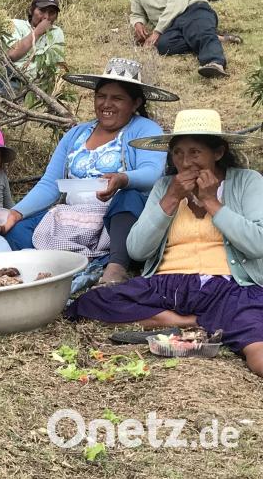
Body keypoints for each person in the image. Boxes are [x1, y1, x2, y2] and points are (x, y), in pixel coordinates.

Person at [67, 109, 263, 376]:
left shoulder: (247, 181)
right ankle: (190, 321)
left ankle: (195, 319)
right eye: (178, 153)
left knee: (257, 351)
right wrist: (170, 199)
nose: (185, 161)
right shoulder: (165, 186)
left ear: (218, 152)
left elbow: (257, 244)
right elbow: (137, 249)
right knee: (92, 302)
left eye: (195, 152)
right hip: (169, 285)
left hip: (228, 285)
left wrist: (212, 202)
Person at [0, 57, 178, 286]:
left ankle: (116, 265)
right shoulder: (76, 134)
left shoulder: (145, 129)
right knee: (18, 230)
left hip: (116, 219)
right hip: (73, 217)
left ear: (135, 103)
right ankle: (62, 263)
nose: (106, 104)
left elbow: (152, 173)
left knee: (128, 196)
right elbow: (50, 185)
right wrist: (15, 213)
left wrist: (123, 179)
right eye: (101, 96)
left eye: (117, 98)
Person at [129, 0, 228, 78]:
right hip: (170, 25)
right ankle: (214, 38)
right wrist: (138, 23)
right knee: (163, 46)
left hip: (193, 10)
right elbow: (136, 12)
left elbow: (176, 4)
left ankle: (214, 62)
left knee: (198, 29)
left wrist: (157, 32)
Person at [0, 0, 65, 95]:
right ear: (31, 10)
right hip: (7, 79)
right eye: (42, 11)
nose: (46, 17)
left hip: (35, 86)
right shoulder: (15, 25)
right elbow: (12, 55)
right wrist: (37, 33)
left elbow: (57, 66)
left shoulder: (57, 32)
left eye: (51, 13)